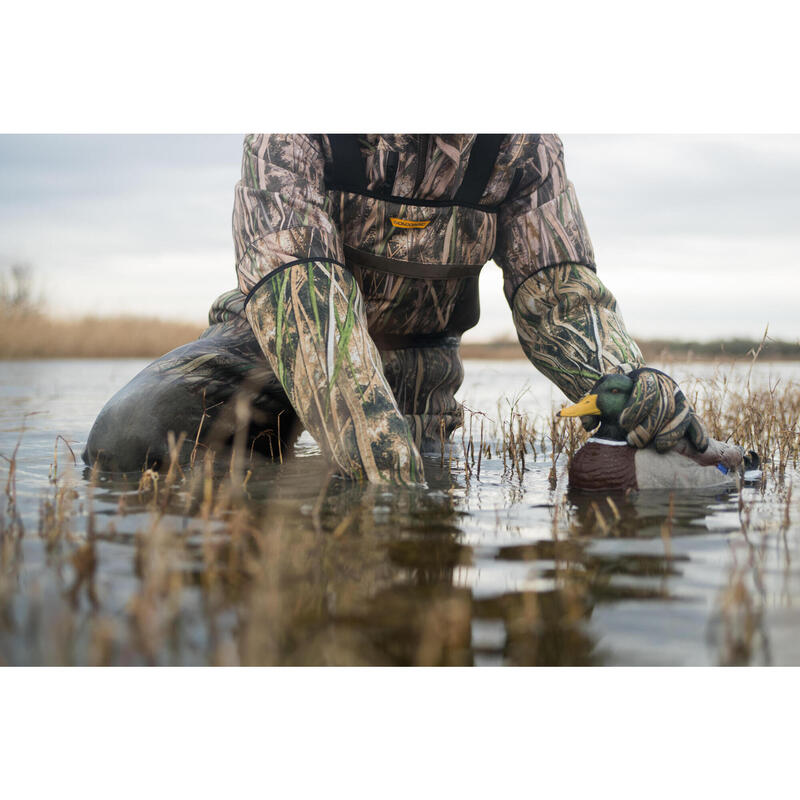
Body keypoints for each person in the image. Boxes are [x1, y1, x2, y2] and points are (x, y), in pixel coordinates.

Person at [83, 134, 708, 483]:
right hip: (271, 347)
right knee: (131, 438)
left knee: (426, 501)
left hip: (418, 374)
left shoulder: (523, 146)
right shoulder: (295, 128)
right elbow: (303, 302)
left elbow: (559, 293)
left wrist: (623, 381)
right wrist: (375, 451)